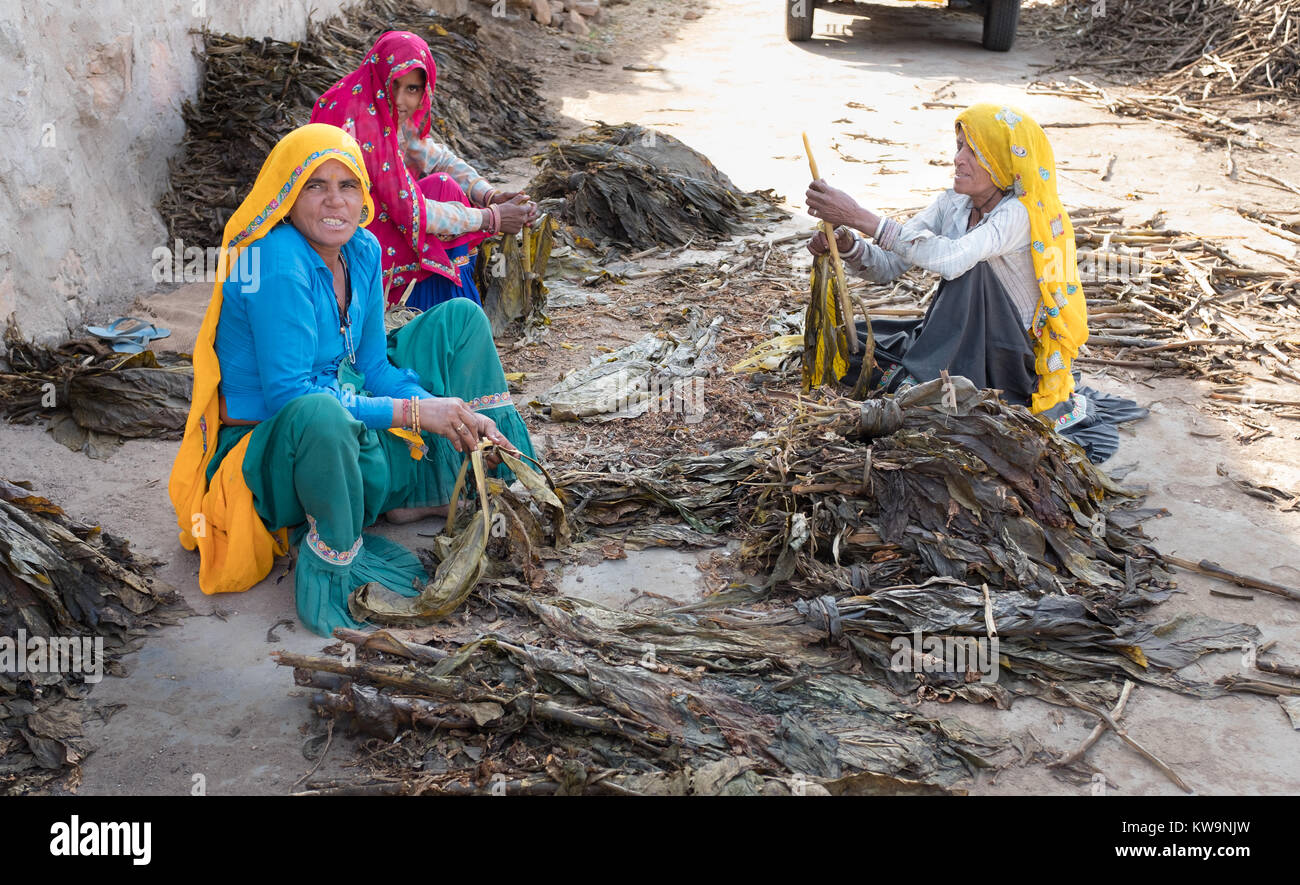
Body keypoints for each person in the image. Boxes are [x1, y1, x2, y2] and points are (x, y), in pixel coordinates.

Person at [168, 123, 537, 637]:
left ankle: (442, 483)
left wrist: (439, 406)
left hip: (343, 397)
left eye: (347, 186)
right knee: (323, 414)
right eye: (315, 186)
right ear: (287, 198)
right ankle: (336, 552)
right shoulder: (273, 263)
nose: (333, 202)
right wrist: (413, 413)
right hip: (275, 444)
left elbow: (373, 369)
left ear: (364, 194)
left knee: (460, 320)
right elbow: (291, 396)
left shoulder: (361, 249)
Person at [805, 102, 1144, 462]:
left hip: (1006, 354)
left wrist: (859, 216)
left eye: (973, 151)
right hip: (958, 337)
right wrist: (850, 246)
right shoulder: (954, 204)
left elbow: (951, 259)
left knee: (971, 269)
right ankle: (929, 377)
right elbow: (890, 264)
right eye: (959, 147)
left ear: (1002, 161)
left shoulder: (1018, 215)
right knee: (848, 341)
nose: (958, 159)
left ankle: (933, 381)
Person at [310, 30, 537, 311]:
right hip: (344, 243)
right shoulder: (364, 122)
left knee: (445, 185)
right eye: (395, 86)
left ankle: (456, 311)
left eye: (413, 89)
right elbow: (413, 212)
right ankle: (439, 313)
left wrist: (489, 195)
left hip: (363, 219)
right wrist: (491, 219)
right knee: (440, 216)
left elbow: (435, 158)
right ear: (380, 77)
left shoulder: (374, 100)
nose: (401, 100)